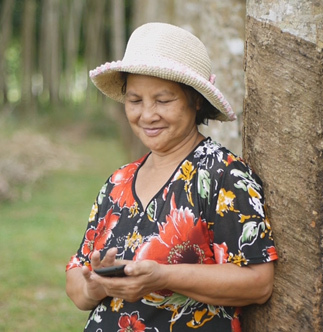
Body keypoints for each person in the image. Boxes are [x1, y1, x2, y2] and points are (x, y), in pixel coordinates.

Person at [65, 22, 278, 332]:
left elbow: (258, 282)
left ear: (196, 101)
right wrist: (97, 285)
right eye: (135, 101)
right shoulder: (118, 182)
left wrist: (163, 277)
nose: (147, 115)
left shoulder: (224, 175)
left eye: (163, 101)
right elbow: (77, 278)